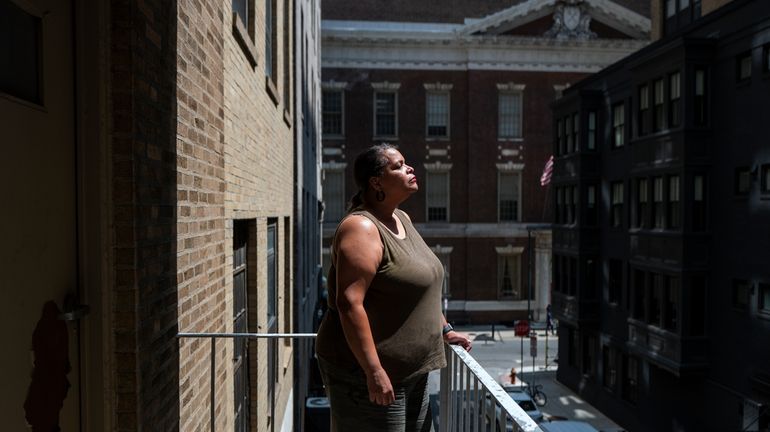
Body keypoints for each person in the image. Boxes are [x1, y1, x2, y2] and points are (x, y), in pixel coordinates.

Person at [315, 144, 472, 431]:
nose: (410, 168)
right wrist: (373, 371)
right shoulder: (361, 228)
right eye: (398, 165)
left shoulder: (402, 219)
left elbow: (416, 289)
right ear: (376, 182)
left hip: (414, 370)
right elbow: (349, 303)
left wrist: (445, 330)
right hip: (368, 373)